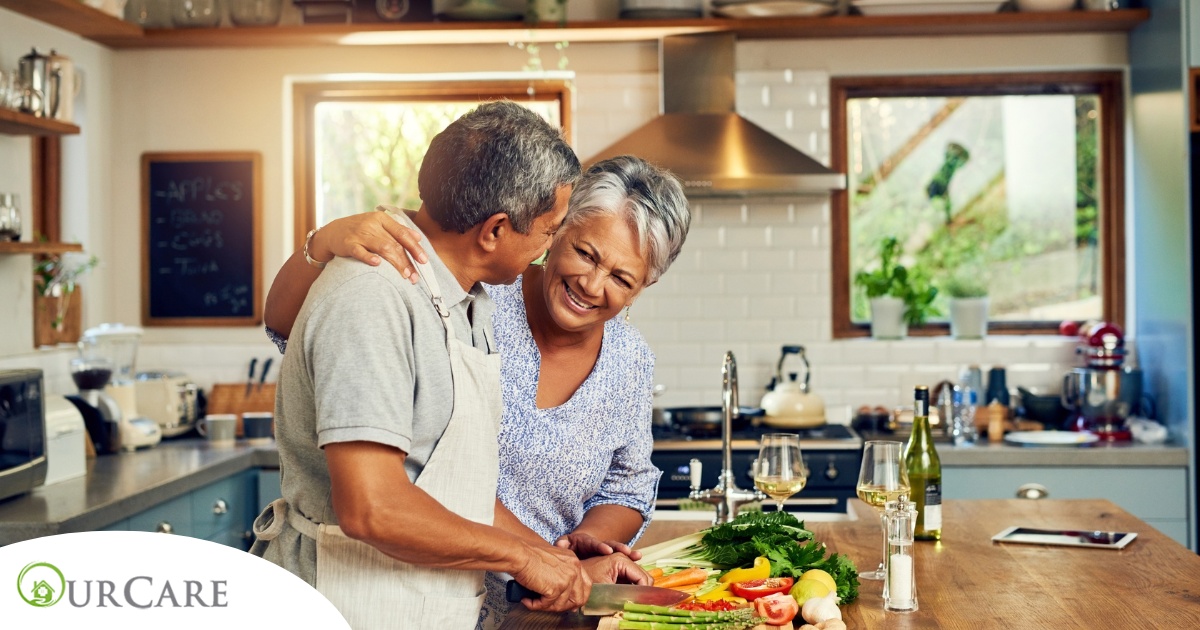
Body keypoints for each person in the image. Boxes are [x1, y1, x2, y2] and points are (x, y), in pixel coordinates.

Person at [264, 155, 692, 629]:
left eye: (621, 278)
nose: (591, 285)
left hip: (540, 601)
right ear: (556, 232)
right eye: (586, 254)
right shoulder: (477, 294)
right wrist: (320, 244)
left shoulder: (629, 357)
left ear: (642, 287)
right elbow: (292, 325)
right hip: (407, 585)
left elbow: (626, 484)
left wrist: (568, 557)